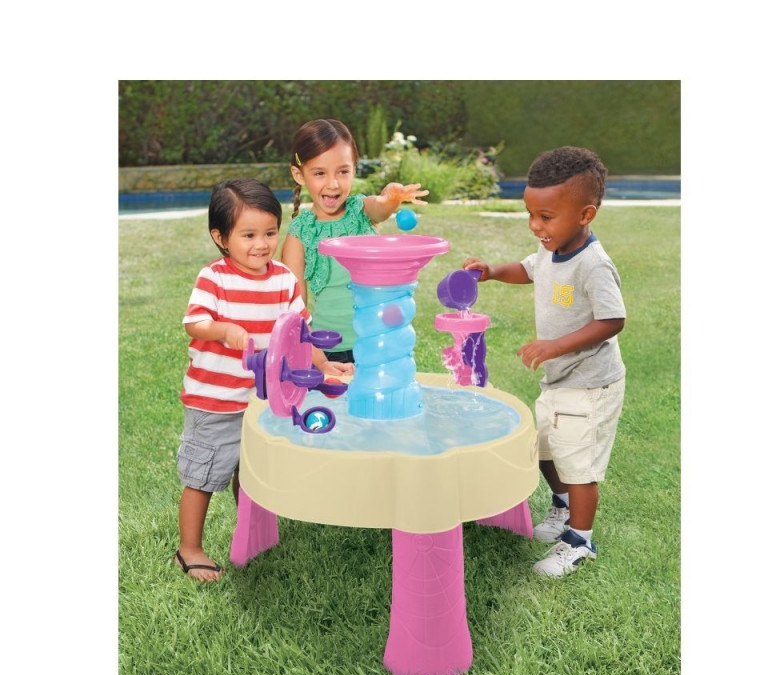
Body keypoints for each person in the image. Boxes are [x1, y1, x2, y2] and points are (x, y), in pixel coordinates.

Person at [463, 146, 626, 578]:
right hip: (559, 381)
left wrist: (556, 346)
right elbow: (528, 268)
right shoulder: (551, 250)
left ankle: (580, 541)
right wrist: (493, 271)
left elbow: (613, 320)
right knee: (545, 449)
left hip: (590, 384)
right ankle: (562, 506)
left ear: (586, 214)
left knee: (578, 465)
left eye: (546, 217)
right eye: (531, 214)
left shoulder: (594, 265)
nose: (535, 226)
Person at [176, 178, 340, 582]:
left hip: (262, 400)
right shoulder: (214, 278)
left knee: (249, 471)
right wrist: (222, 329)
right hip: (216, 401)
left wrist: (324, 366)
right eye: (248, 235)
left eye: (269, 233)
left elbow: (301, 332)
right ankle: (189, 548)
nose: (262, 244)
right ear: (221, 237)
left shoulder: (283, 279)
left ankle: (251, 532)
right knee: (203, 477)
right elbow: (195, 322)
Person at [280, 118, 428, 364]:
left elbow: (380, 206)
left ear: (354, 170)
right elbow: (295, 303)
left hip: (376, 339)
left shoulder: (361, 210)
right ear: (299, 174)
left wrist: (392, 198)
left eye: (343, 171)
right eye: (319, 173)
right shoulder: (300, 233)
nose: (333, 184)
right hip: (328, 348)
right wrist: (314, 355)